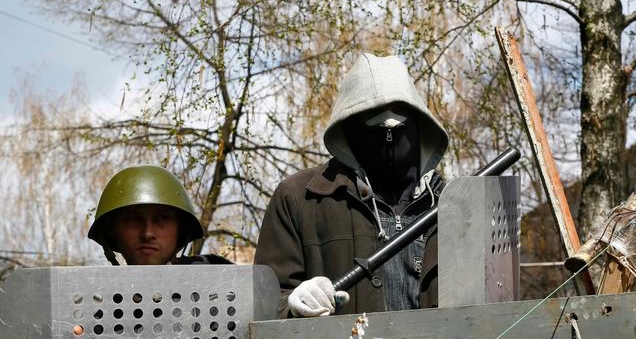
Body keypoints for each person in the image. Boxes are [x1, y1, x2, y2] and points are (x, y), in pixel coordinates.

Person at [255, 53, 449, 317]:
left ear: (420, 125)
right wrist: (292, 304)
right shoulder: (300, 200)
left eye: (399, 118)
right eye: (372, 121)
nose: (388, 130)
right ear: (347, 129)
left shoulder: (452, 205)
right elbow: (264, 304)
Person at [88, 165, 231, 265]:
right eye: (133, 220)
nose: (148, 233)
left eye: (162, 219)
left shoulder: (217, 278)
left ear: (181, 230)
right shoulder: (109, 305)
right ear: (112, 232)